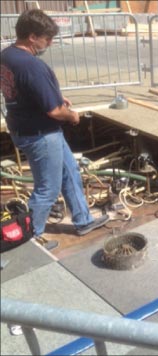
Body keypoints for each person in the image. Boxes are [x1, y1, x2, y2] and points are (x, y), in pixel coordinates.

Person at [0, 9, 109, 250]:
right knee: (47, 190)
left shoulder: (7, 55)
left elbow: (29, 91)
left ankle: (83, 220)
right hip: (40, 135)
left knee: (70, 172)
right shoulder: (31, 65)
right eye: (46, 39)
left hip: (27, 127)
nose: (49, 43)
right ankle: (30, 239)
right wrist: (71, 116)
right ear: (31, 37)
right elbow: (54, 112)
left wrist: (56, 96)